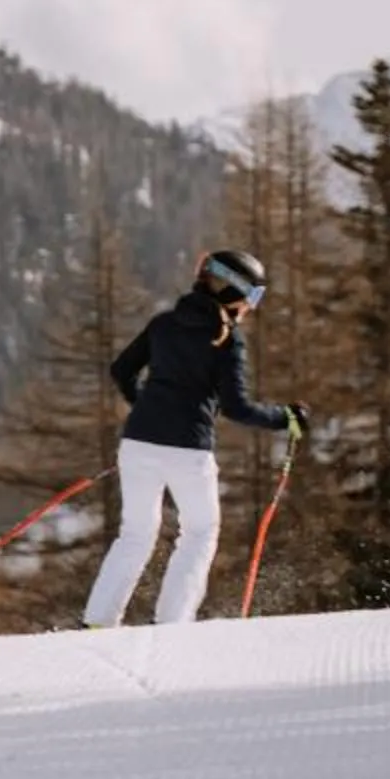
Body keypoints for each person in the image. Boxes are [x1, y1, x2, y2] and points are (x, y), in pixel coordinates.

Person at [82, 247, 309, 629]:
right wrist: (286, 418)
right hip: (188, 450)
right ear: (234, 291)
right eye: (254, 295)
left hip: (138, 442)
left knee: (136, 533)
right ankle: (173, 625)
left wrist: (149, 410)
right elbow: (238, 408)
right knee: (200, 532)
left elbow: (122, 370)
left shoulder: (163, 324)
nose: (254, 306)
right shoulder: (227, 339)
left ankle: (98, 621)